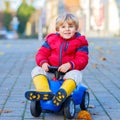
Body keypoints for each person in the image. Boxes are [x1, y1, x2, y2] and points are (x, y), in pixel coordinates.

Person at [25, 13, 89, 106]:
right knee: (36, 70)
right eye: (63, 27)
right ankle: (43, 91)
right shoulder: (51, 40)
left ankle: (63, 93)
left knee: (77, 74)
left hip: (68, 74)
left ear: (76, 29)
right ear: (58, 29)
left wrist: (70, 65)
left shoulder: (80, 42)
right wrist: (43, 63)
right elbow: (41, 53)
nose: (67, 29)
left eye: (70, 26)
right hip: (51, 71)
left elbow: (82, 59)